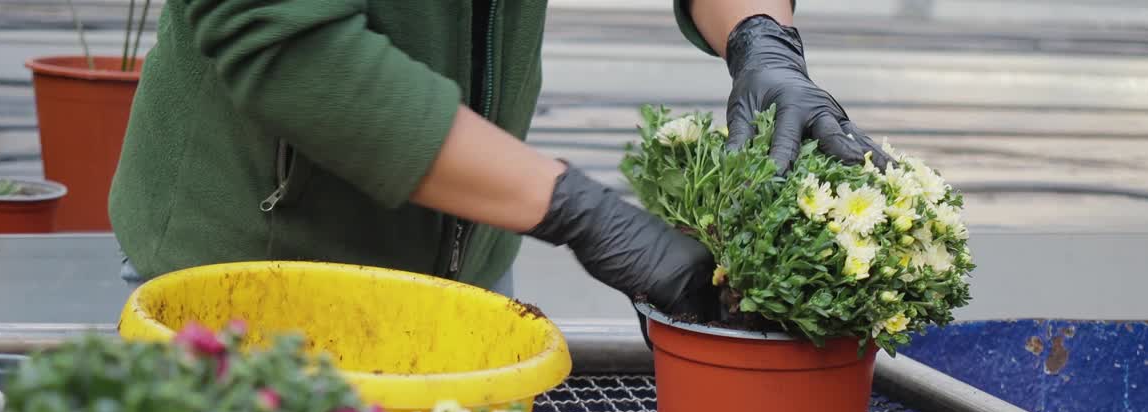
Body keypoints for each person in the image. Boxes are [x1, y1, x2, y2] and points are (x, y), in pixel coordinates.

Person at [110, 0, 891, 321]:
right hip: (254, 283)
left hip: (468, 275)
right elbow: (287, 41)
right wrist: (572, 208)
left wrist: (760, 35)